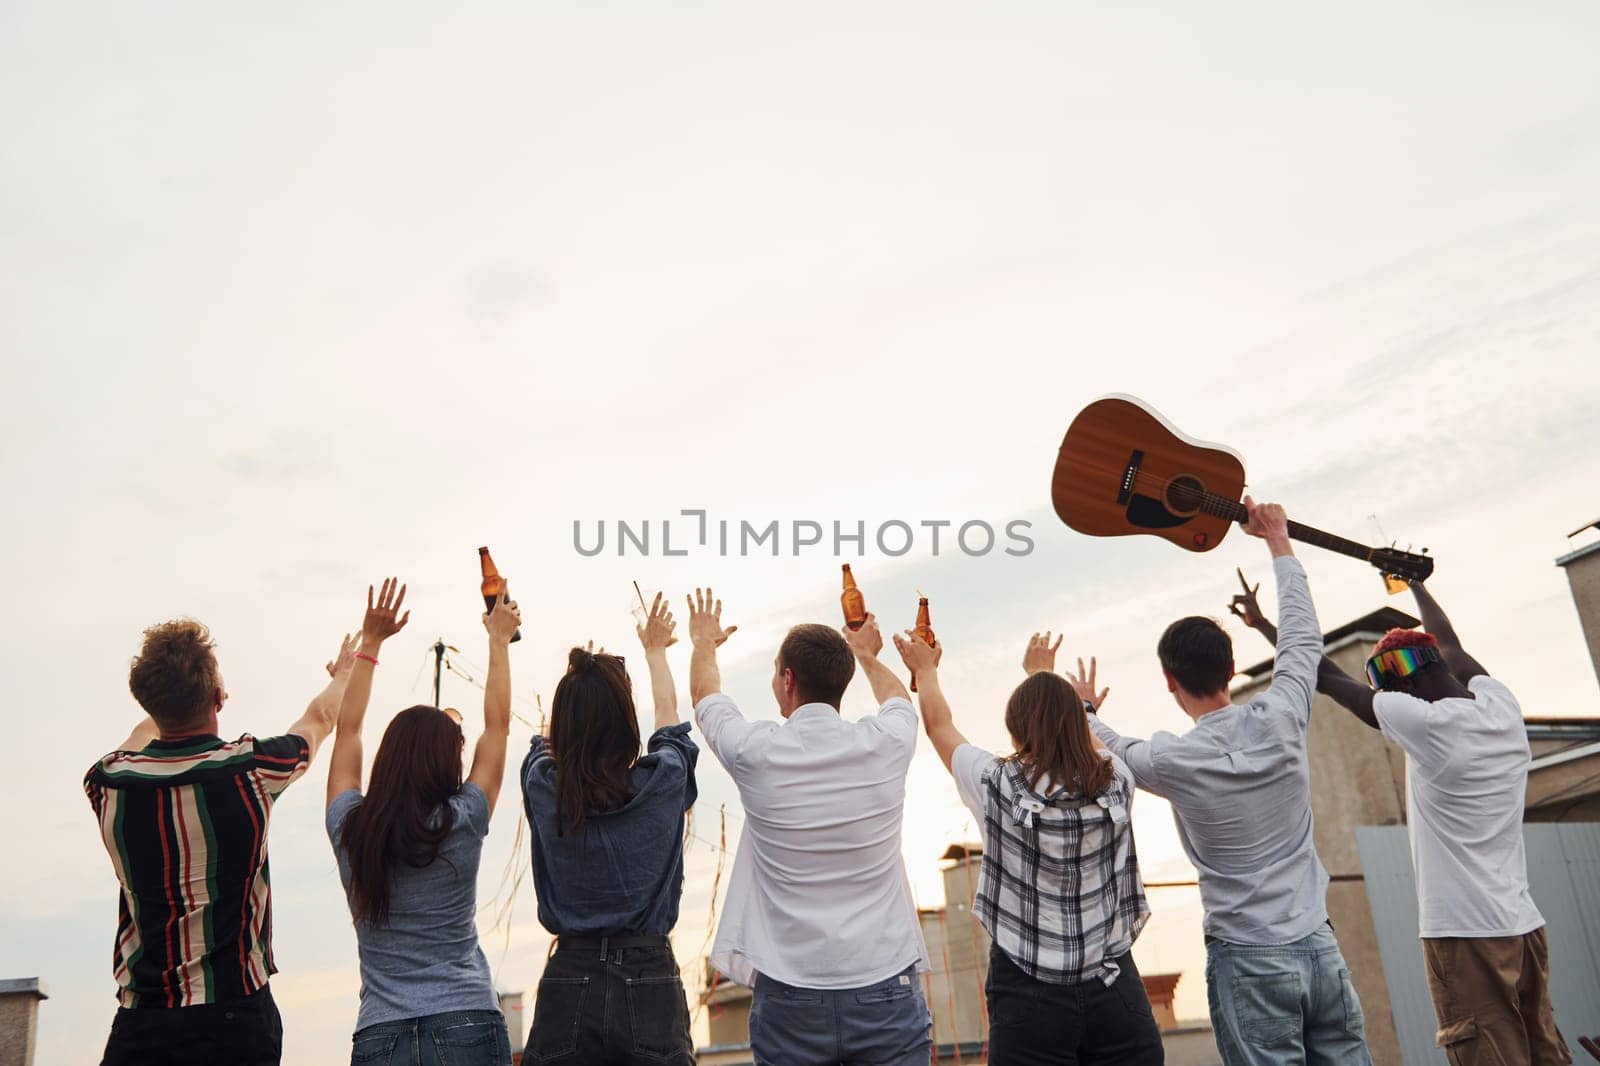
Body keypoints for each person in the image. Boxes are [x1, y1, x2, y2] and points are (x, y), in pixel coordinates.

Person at [1232, 572, 1569, 1066]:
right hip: (1523, 927)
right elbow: (1450, 642)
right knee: (1546, 1053)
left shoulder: (1426, 724)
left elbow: (1325, 676)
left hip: (1464, 931)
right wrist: (1417, 584)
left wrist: (1264, 624)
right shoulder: (1501, 706)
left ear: (1402, 685)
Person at [1087, 498, 1372, 1066]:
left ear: (1170, 681)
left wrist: (1084, 710)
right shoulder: (1284, 717)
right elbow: (1301, 640)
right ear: (1229, 666)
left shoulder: (1172, 759)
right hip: (1319, 945)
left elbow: (1110, 748)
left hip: (1246, 958)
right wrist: (1278, 541)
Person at [85, 609, 359, 1065]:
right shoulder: (250, 770)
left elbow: (142, 734)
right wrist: (345, 673)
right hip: (234, 1021)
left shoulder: (108, 782)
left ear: (147, 701)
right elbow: (320, 718)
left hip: (142, 1023)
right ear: (218, 696)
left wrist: (170, 698)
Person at [893, 626, 1164, 1066]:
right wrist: (1052, 682)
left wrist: (925, 671)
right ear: (1079, 723)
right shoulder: (1118, 781)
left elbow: (940, 726)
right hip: (1114, 987)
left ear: (1015, 729)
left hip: (1027, 996)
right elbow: (1093, 746)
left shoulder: (997, 784)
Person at [690, 588, 932, 1066]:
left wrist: (703, 644)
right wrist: (866, 654)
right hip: (884, 984)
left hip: (790, 993)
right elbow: (899, 699)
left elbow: (705, 697)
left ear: (787, 679)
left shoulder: (756, 752)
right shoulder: (887, 744)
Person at [325, 578, 520, 1066]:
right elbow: (497, 725)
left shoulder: (351, 828)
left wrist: (369, 646)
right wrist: (499, 641)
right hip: (467, 1021)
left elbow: (347, 731)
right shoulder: (465, 818)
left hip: (380, 1032)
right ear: (445, 763)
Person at [520, 592, 698, 1065]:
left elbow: (544, 743)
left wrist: (582, 692)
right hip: (649, 975)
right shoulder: (663, 783)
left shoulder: (544, 786)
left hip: (569, 975)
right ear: (624, 723)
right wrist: (655, 651)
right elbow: (670, 728)